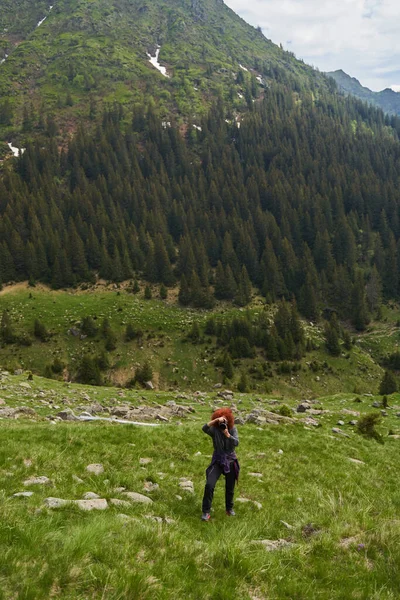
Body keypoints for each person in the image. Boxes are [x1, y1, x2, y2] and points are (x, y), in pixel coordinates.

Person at [201, 407, 240, 521]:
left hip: (231, 461)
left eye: (225, 420)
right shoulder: (214, 430)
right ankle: (206, 512)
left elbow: (236, 442)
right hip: (218, 461)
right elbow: (204, 428)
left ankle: (229, 509)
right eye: (221, 421)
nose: (223, 423)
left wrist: (228, 435)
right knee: (209, 485)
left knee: (230, 487)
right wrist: (215, 421)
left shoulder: (233, 429)